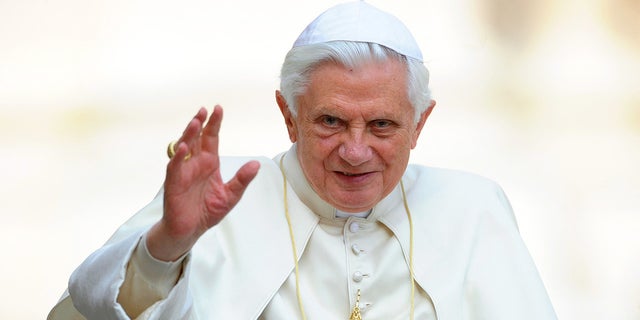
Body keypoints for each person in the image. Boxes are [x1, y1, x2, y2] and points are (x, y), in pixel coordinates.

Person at [48, 1, 557, 319]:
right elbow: (94, 311)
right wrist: (170, 244)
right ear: (289, 116)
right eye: (330, 122)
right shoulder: (223, 194)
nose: (355, 152)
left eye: (382, 125)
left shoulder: (472, 207)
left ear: (419, 125)